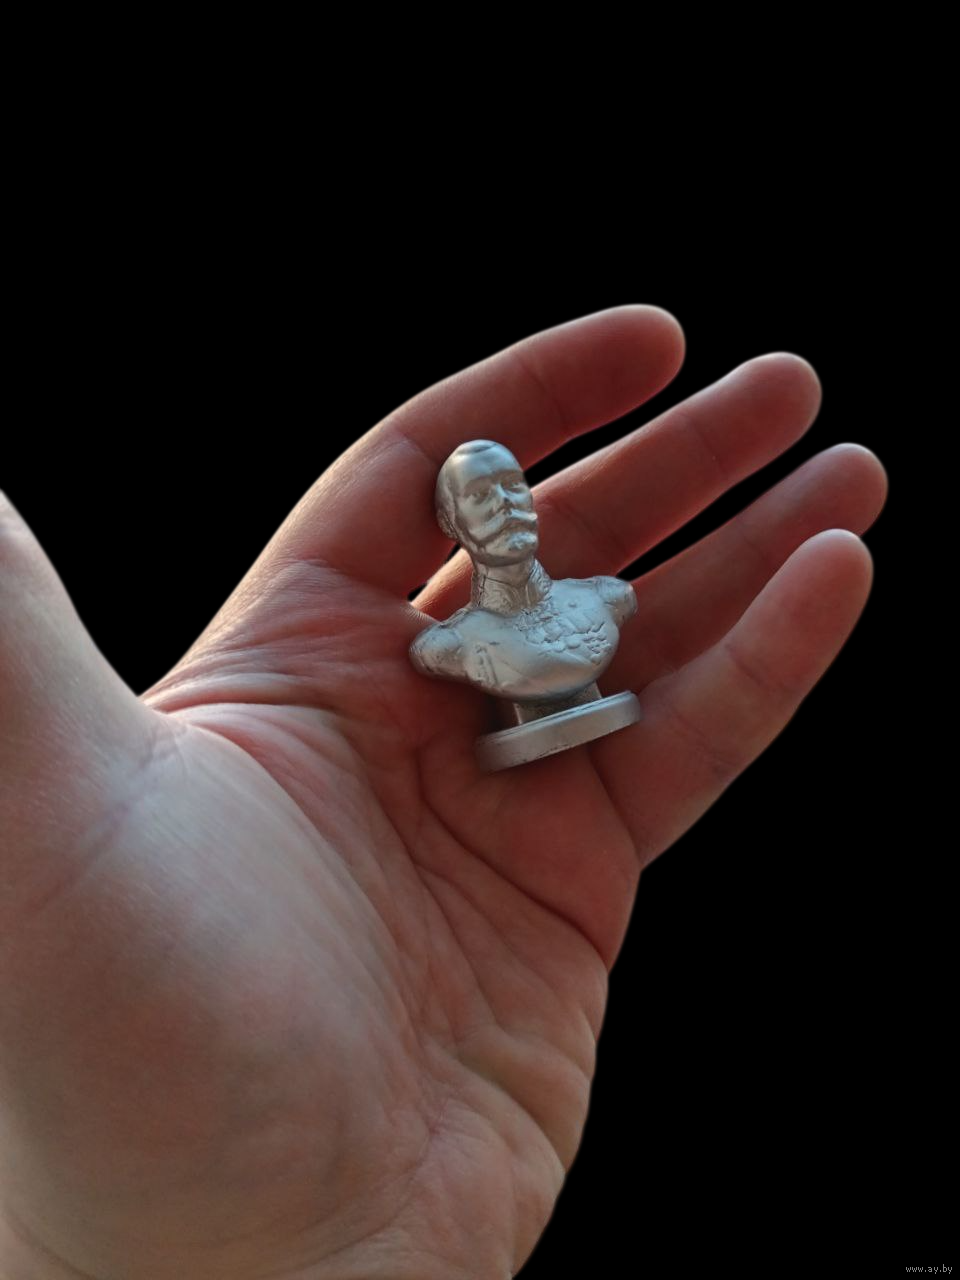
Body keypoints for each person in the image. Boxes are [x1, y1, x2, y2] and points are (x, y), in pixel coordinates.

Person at [0, 305, 886, 1279]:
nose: (508, 510)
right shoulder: (454, 647)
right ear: (456, 530)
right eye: (482, 502)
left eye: (515, 491)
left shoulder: (599, 602)